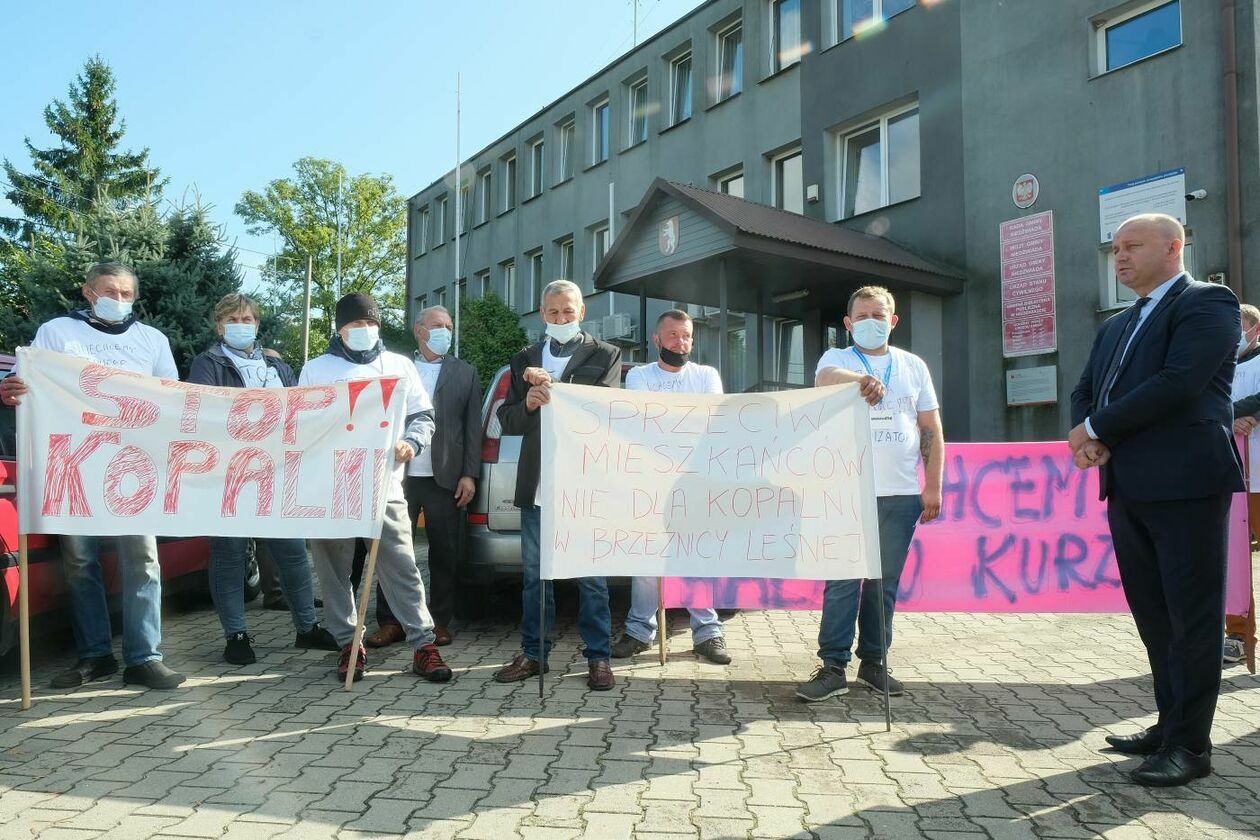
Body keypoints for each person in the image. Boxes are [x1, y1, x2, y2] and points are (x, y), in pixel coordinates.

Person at [1069, 213, 1242, 787]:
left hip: (1188, 483)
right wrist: (1086, 429)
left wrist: (1096, 429)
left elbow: (1178, 383)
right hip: (1127, 485)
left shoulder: (1207, 303)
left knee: (1193, 620)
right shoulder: (1119, 323)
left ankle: (1191, 747)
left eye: (1132, 246)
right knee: (1156, 617)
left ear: (1174, 247)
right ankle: (1168, 725)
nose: (1118, 257)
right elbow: (1085, 389)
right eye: (1114, 249)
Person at [0, 263, 186, 690]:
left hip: (133, 469)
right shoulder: (56, 332)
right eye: (110, 291)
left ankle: (144, 658)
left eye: (126, 293)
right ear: (88, 292)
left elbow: (174, 400)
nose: (118, 300)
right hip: (75, 466)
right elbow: (27, 384)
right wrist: (10, 388)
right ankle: (95, 656)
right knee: (80, 563)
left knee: (142, 559)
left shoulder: (151, 341)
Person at [796, 285, 943, 703]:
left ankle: (874, 663)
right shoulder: (837, 359)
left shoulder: (913, 366)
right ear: (848, 323)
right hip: (846, 489)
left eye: (879, 316)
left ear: (893, 321)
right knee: (842, 578)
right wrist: (860, 379)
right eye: (862, 317)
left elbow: (930, 428)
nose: (870, 323)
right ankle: (833, 666)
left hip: (899, 491)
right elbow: (824, 379)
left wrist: (931, 484)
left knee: (885, 582)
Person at [298, 292, 453, 684]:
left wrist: (411, 443)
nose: (364, 331)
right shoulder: (316, 370)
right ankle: (349, 643)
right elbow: (300, 424)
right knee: (334, 570)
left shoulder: (398, 366)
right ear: (340, 328)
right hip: (331, 489)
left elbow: (422, 416)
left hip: (384, 485)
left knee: (400, 565)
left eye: (370, 324)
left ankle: (423, 643)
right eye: (355, 325)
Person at [186, 293, 339, 665]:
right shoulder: (207, 364)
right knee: (229, 555)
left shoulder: (278, 368)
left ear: (257, 323)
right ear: (220, 325)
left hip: (277, 473)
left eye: (249, 318)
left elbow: (300, 411)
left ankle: (306, 627)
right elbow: (203, 412)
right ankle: (236, 634)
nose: (243, 324)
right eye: (234, 318)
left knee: (292, 553)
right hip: (229, 476)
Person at [493, 280, 621, 690]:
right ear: (541, 313)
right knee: (536, 578)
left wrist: (554, 389)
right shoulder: (522, 359)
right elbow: (506, 420)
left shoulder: (607, 354)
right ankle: (534, 654)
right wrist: (528, 403)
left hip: (584, 484)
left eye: (568, 311)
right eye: (553, 312)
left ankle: (598, 658)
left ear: (582, 312)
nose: (561, 319)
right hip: (538, 487)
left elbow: (604, 410)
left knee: (592, 579)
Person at [609, 309, 731, 665]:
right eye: (674, 335)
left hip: (695, 480)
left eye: (687, 336)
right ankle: (638, 631)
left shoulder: (707, 376)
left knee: (697, 556)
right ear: (657, 339)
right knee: (647, 559)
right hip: (650, 481)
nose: (681, 342)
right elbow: (645, 420)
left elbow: (710, 421)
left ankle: (707, 633)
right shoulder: (638, 377)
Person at [366, 305, 481, 649]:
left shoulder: (465, 372)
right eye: (437, 325)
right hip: (398, 474)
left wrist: (469, 475)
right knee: (393, 552)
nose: (445, 330)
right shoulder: (395, 369)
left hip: (444, 477)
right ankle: (391, 622)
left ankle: (438, 621)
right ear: (419, 330)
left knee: (444, 553)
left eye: (448, 325)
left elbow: (473, 429)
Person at [1225, 304, 1260, 670]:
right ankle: (1237, 637)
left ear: (1255, 328)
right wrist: (1230, 415)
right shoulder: (1218, 367)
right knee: (1233, 563)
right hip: (1232, 482)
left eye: (1238, 326)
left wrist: (1236, 412)